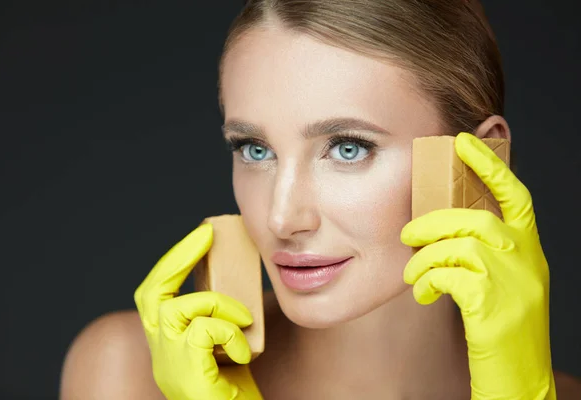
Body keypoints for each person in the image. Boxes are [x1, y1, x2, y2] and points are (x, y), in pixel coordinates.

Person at [60, 0, 581, 398]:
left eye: (348, 148)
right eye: (255, 149)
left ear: (482, 159)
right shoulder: (126, 371)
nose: (282, 218)